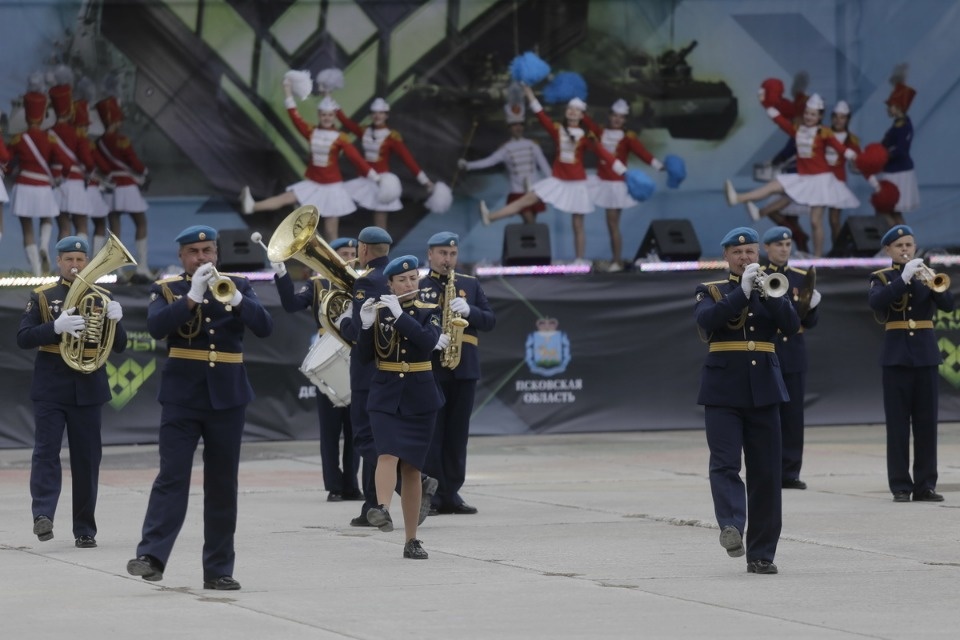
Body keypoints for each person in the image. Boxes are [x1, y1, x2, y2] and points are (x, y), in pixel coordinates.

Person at [126, 225, 273, 590]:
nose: (202, 257)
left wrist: (238, 300)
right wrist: (190, 296)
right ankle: (152, 556)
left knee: (222, 486)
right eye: (194, 251)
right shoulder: (167, 289)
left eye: (208, 250)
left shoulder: (239, 286)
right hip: (182, 397)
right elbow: (157, 326)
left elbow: (265, 327)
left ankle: (219, 569)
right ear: (182, 257)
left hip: (228, 396)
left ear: (217, 254)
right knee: (172, 478)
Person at [694, 226, 800, 575]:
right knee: (724, 464)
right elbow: (708, 324)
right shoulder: (711, 290)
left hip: (765, 390)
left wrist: (771, 296)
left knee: (766, 473)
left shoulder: (772, 288)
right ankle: (732, 526)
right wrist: (739, 294)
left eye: (751, 252)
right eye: (738, 253)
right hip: (723, 390)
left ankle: (762, 553)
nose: (745, 258)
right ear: (726, 256)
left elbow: (791, 325)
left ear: (759, 254)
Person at [16, 235, 127, 548]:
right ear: (59, 262)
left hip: (89, 387)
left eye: (80, 260)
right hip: (51, 385)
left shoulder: (102, 296)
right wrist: (55, 327)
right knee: (46, 453)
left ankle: (85, 528)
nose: (75, 265)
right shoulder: (42, 296)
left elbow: (119, 347)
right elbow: (23, 338)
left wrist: (117, 322)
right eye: (69, 260)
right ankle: (43, 515)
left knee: (87, 460)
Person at [337, 227, 439, 528]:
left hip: (377, 375)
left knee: (368, 438)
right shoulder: (377, 278)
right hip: (389, 375)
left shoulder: (367, 281)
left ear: (363, 249)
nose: (409, 283)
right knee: (381, 444)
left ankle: (412, 483)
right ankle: (375, 503)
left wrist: (344, 322)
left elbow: (357, 334)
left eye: (412, 278)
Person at [357, 255, 446, 559]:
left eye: (413, 279)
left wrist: (400, 316)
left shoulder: (430, 309)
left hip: (420, 395)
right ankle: (381, 507)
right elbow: (363, 358)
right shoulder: (379, 311)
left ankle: (412, 539)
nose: (410, 284)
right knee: (387, 452)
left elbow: (426, 342)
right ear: (390, 285)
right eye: (403, 281)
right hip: (386, 394)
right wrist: (366, 326)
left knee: (412, 468)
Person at [480, 85, 627, 266]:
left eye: (577, 110)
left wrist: (623, 171)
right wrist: (530, 95)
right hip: (558, 180)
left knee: (578, 224)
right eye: (570, 109)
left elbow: (603, 153)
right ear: (566, 112)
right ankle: (491, 217)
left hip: (578, 183)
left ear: (582, 116)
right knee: (526, 200)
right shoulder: (558, 130)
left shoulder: (586, 137)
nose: (573, 112)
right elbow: (541, 116)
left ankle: (579, 260)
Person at [868, 225, 954, 503]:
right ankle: (901, 486)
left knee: (927, 424)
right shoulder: (882, 277)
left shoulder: (926, 275)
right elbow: (877, 303)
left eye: (909, 245)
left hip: (926, 356)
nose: (905, 250)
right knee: (898, 425)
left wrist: (933, 283)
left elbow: (949, 305)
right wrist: (902, 279)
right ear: (888, 250)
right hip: (896, 357)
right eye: (899, 246)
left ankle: (926, 485)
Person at [272, 236, 361, 502]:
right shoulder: (318, 284)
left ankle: (351, 483)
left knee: (356, 428)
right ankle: (334, 485)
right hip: (329, 357)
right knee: (331, 428)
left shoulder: (361, 282)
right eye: (343, 253)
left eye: (352, 252)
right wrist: (280, 272)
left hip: (355, 354)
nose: (348, 257)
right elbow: (291, 305)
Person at [725, 92, 859, 257]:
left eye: (813, 114)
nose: (809, 117)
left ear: (820, 116)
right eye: (807, 113)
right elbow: (781, 122)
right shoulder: (798, 130)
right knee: (773, 186)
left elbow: (839, 147)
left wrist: (854, 156)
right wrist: (767, 105)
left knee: (815, 221)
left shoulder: (824, 132)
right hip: (802, 177)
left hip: (820, 180)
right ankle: (738, 198)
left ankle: (817, 258)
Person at [239, 84, 379, 240]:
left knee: (331, 232)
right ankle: (251, 206)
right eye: (324, 115)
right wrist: (287, 91)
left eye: (330, 115)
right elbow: (295, 116)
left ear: (334, 117)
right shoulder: (312, 132)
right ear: (319, 115)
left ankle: (336, 264)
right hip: (314, 184)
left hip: (333, 189)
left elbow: (357, 159)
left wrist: (375, 177)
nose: (327, 118)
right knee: (287, 200)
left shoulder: (340, 138)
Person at [419, 232, 496, 515]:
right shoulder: (418, 284)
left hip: (464, 368)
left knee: (457, 434)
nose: (447, 259)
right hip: (432, 367)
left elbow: (490, 320)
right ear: (430, 254)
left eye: (452, 254)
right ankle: (433, 496)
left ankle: (452, 493)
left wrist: (471, 310)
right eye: (441, 253)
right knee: (434, 433)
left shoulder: (470, 284)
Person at [759, 227, 821, 490]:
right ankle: (766, 470)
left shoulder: (799, 278)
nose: (784, 249)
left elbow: (809, 322)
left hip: (793, 352)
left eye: (787, 244)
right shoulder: (759, 275)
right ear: (767, 248)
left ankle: (790, 471)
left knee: (793, 416)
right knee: (765, 415)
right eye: (779, 244)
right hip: (768, 350)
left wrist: (812, 305)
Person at [582, 99, 667, 271]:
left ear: (625, 120)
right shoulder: (600, 132)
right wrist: (580, 109)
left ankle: (617, 261)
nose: (617, 119)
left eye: (621, 117)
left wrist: (659, 165)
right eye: (615, 116)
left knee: (613, 223)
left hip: (616, 185)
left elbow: (642, 153)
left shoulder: (628, 138)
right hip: (601, 182)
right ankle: (614, 260)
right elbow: (588, 125)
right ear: (609, 116)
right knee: (609, 223)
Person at [336, 98, 435, 233]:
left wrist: (425, 181)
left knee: (380, 222)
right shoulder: (365, 131)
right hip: (364, 179)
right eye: (374, 113)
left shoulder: (391, 137)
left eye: (381, 113)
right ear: (371, 115)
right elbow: (347, 123)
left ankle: (382, 250)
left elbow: (408, 160)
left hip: (381, 182)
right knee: (336, 200)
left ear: (386, 115)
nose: (377, 116)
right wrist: (334, 106)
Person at [7, 91, 73, 275]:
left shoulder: (19, 139)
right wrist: (62, 178)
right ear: (43, 115)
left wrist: (9, 173)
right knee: (47, 219)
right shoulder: (49, 138)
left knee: (27, 230)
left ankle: (36, 272)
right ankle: (44, 245)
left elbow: (7, 163)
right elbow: (66, 162)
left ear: (27, 116)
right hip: (43, 186)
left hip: (24, 185)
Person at [457, 102, 551, 225]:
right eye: (514, 125)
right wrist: (468, 165)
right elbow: (489, 161)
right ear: (509, 128)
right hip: (518, 190)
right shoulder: (506, 148)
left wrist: (554, 182)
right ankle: (490, 218)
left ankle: (491, 218)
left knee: (531, 222)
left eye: (520, 124)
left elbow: (544, 165)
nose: (518, 128)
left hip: (535, 188)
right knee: (529, 220)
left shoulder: (532, 145)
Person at [95, 96, 152, 280]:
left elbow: (102, 166)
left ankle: (116, 269)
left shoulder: (99, 142)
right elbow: (133, 161)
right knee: (141, 223)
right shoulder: (122, 140)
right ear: (115, 120)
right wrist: (144, 171)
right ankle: (142, 267)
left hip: (112, 187)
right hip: (127, 185)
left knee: (114, 228)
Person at [49, 82, 94, 241]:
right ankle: (80, 264)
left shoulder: (49, 133)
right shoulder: (78, 133)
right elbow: (87, 161)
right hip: (75, 183)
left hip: (57, 183)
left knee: (63, 227)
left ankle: (64, 265)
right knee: (81, 225)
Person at [878, 67, 918, 226]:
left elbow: (900, 150)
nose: (889, 108)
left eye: (891, 105)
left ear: (899, 107)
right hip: (892, 170)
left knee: (888, 211)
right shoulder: (898, 125)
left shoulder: (904, 126)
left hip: (899, 172)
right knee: (890, 212)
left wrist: (882, 155)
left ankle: (904, 246)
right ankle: (903, 246)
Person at [72, 99, 113, 255]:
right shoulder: (87, 143)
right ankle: (94, 262)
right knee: (100, 223)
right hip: (90, 187)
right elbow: (102, 166)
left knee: (78, 225)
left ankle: (80, 262)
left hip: (74, 187)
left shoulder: (66, 140)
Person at [824, 101, 861, 243]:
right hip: (819, 180)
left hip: (837, 181)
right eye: (835, 117)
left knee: (834, 220)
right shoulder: (823, 134)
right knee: (816, 219)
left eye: (842, 117)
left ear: (847, 119)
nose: (838, 120)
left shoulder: (851, 140)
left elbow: (857, 164)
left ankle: (838, 252)